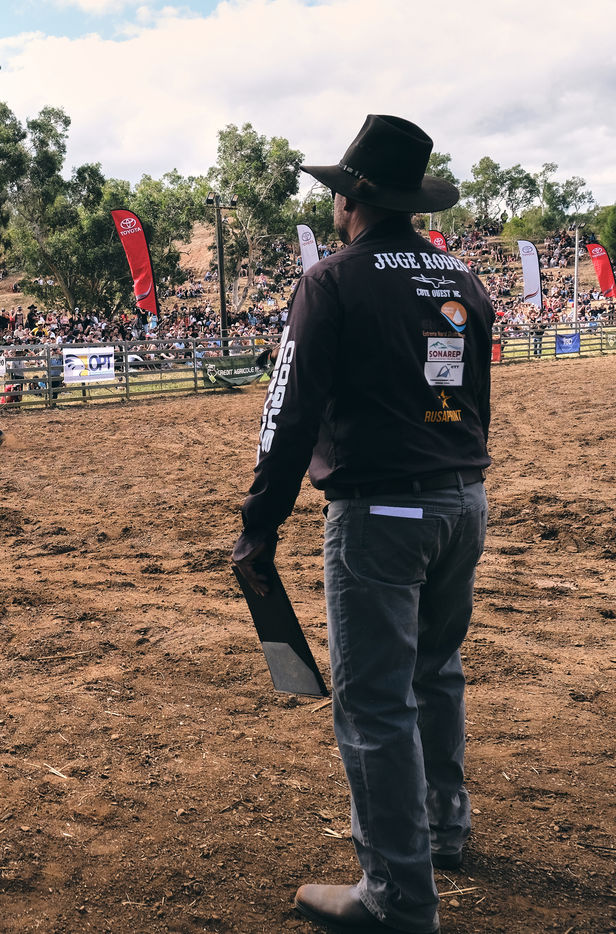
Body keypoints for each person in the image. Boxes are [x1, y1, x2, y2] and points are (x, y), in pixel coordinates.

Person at [231, 115, 492, 934]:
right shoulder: (462, 278)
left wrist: (260, 523)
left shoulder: (333, 281)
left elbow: (289, 412)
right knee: (436, 670)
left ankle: (397, 896)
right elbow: (477, 396)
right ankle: (444, 828)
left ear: (353, 201)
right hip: (462, 499)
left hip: (381, 512)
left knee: (374, 703)